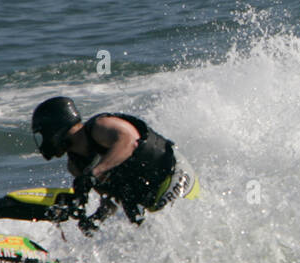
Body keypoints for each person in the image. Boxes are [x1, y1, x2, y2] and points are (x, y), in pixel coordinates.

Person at [30, 96, 196, 231]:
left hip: (174, 174)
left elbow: (129, 141)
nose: (43, 142)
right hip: (149, 199)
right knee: (145, 237)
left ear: (54, 129)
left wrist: (96, 172)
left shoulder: (100, 127)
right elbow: (111, 200)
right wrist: (96, 218)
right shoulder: (76, 166)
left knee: (165, 230)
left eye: (43, 134)